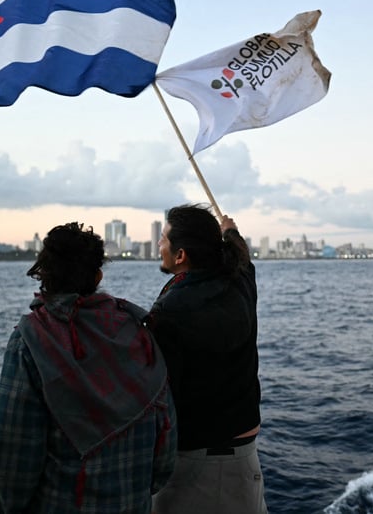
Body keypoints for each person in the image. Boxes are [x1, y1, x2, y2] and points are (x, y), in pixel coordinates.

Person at [0, 222, 177, 513]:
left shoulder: (32, 341)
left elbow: (13, 458)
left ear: (43, 274)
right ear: (98, 275)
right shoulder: (137, 331)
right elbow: (165, 437)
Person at [146, 205, 268, 514]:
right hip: (244, 459)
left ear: (181, 255)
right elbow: (241, 257)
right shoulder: (241, 282)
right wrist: (229, 231)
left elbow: (160, 393)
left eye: (163, 239)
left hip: (199, 467)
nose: (159, 246)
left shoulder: (170, 312)